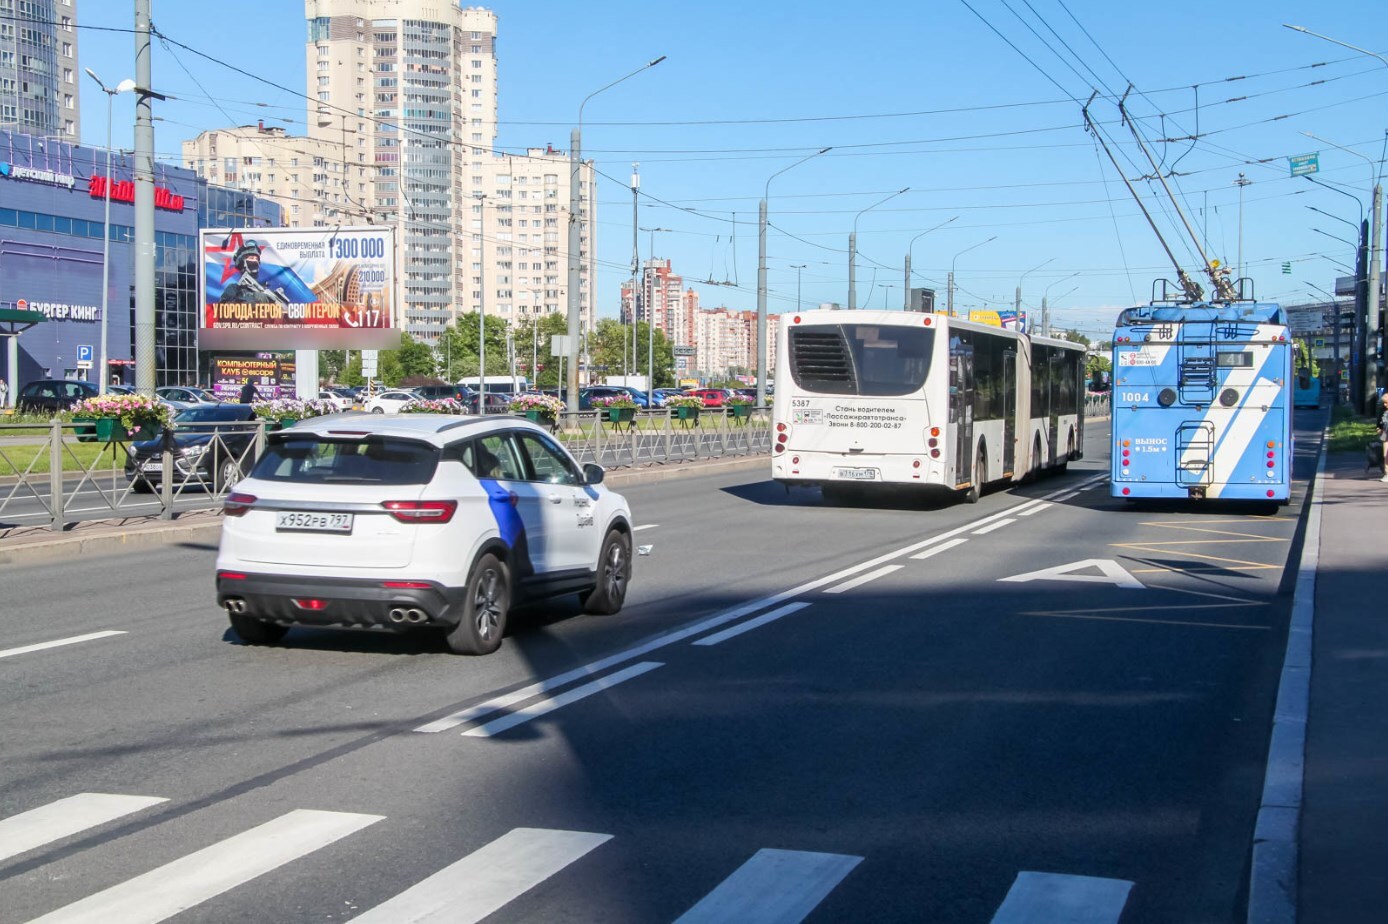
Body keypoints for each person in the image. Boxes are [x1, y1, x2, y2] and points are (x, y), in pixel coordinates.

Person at [219, 240, 286, 306]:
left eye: (257, 259)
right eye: (251, 258)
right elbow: (223, 310)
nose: (255, 261)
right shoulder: (234, 289)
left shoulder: (264, 289)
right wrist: (253, 299)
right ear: (242, 262)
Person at [1378, 392, 1388, 483]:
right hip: (1385, 434)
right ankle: (1387, 473)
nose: (1385, 405)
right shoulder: (1384, 411)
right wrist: (1380, 429)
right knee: (1385, 455)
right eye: (1384, 403)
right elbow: (1382, 423)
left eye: (1386, 403)